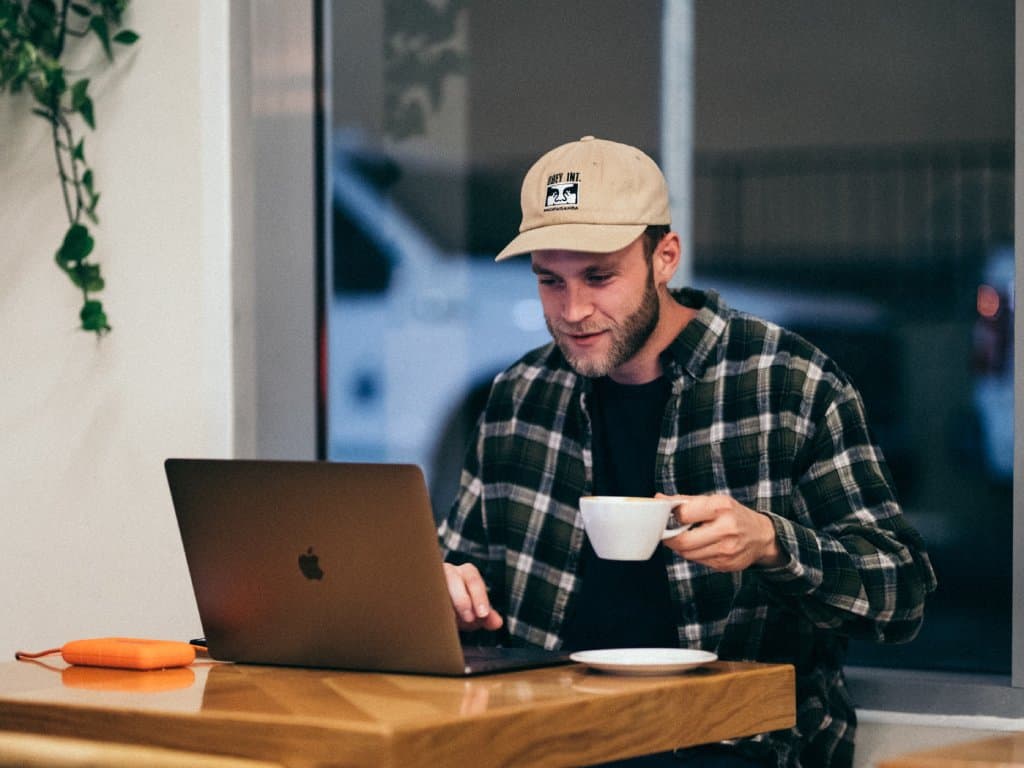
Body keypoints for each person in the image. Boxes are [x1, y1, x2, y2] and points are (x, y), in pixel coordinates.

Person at [438, 136, 936, 767]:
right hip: (548, 738)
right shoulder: (520, 394)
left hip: (733, 747)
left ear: (664, 257)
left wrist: (772, 544)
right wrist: (445, 591)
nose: (574, 311)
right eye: (549, 281)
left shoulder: (788, 384)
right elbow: (456, 570)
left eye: (599, 276)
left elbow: (903, 595)